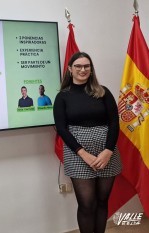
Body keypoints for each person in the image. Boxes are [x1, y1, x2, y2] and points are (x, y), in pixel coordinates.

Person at [53, 52, 122, 233]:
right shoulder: (62, 97)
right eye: (78, 66)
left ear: (91, 69)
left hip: (107, 153)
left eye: (86, 66)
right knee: (86, 204)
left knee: (102, 201)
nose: (82, 70)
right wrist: (82, 153)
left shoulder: (103, 92)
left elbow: (115, 122)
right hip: (78, 155)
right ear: (70, 69)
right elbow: (61, 128)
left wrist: (108, 151)